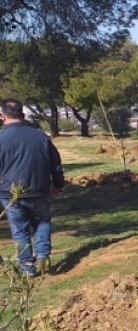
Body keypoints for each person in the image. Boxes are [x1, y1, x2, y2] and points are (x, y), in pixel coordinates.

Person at [0, 98, 65, 278]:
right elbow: (55, 162)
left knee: (19, 229)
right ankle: (42, 255)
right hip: (38, 189)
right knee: (42, 222)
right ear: (22, 114)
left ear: (2, 116)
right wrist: (58, 184)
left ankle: (27, 267)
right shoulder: (40, 136)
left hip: (9, 193)